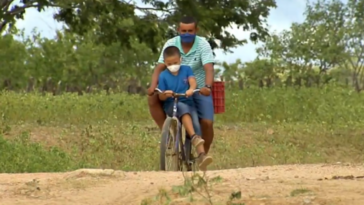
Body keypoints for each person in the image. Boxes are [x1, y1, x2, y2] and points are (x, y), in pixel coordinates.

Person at [148, 16, 215, 154]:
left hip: (197, 89)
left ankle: (203, 154)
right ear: (178, 30)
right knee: (152, 98)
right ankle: (167, 134)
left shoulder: (203, 44)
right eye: (183, 30)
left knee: (207, 123)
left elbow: (209, 68)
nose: (186, 34)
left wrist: (207, 87)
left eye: (190, 30)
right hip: (172, 89)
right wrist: (152, 86)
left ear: (196, 30)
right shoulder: (171, 44)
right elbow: (159, 67)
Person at [157, 45, 213, 171]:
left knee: (196, 125)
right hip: (172, 104)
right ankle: (194, 137)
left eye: (175, 62)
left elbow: (193, 81)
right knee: (182, 109)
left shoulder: (186, 69)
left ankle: (201, 156)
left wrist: (191, 89)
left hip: (188, 101)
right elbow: (160, 96)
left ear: (180, 60)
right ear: (165, 63)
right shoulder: (163, 76)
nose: (173, 65)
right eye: (169, 63)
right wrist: (165, 94)